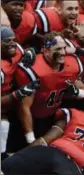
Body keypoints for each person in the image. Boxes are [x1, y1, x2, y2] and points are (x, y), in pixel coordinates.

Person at [12, 31, 84, 151]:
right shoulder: (33, 69)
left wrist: (78, 93)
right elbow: (24, 108)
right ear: (45, 50)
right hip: (31, 119)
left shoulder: (72, 65)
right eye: (57, 49)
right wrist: (30, 139)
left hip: (52, 116)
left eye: (64, 48)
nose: (62, 53)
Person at [1, 27, 38, 159]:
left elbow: (26, 48)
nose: (12, 44)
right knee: (3, 124)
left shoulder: (16, 50)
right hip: (4, 99)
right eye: (7, 41)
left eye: (13, 40)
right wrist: (18, 94)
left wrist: (31, 51)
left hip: (8, 98)